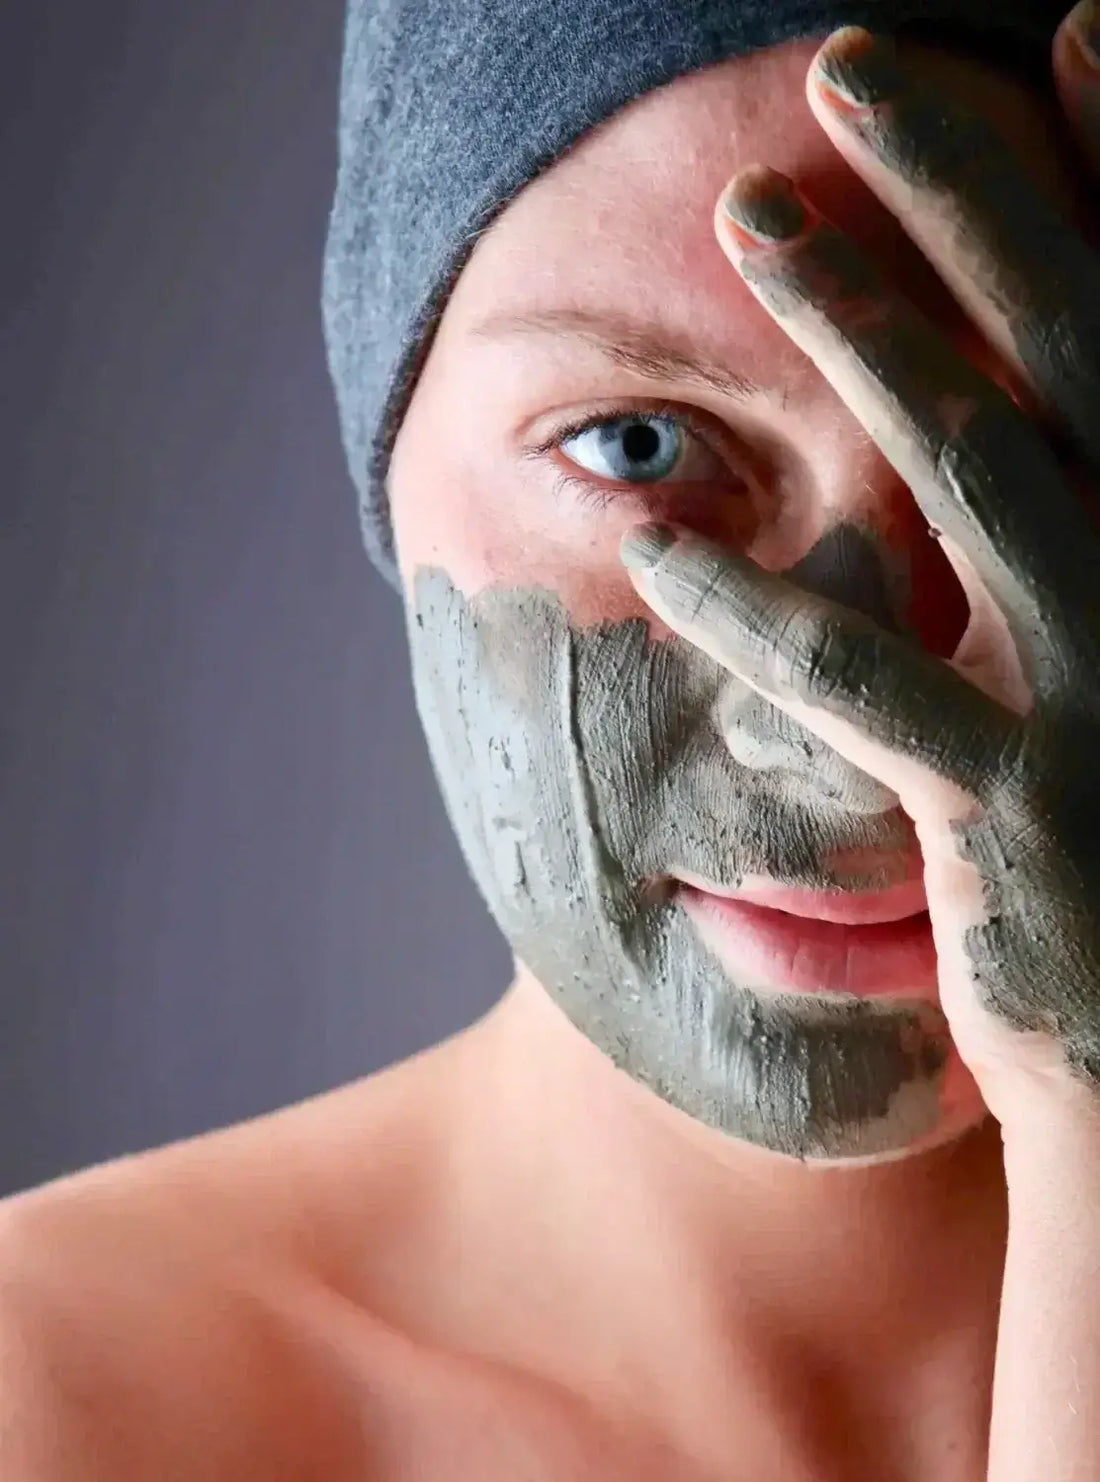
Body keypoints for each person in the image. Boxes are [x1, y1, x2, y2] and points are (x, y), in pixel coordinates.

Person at [3, 0, 1100, 1476]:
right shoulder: (65, 1398)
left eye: (1029, 458)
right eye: (637, 441)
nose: (846, 734)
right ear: (387, 461)